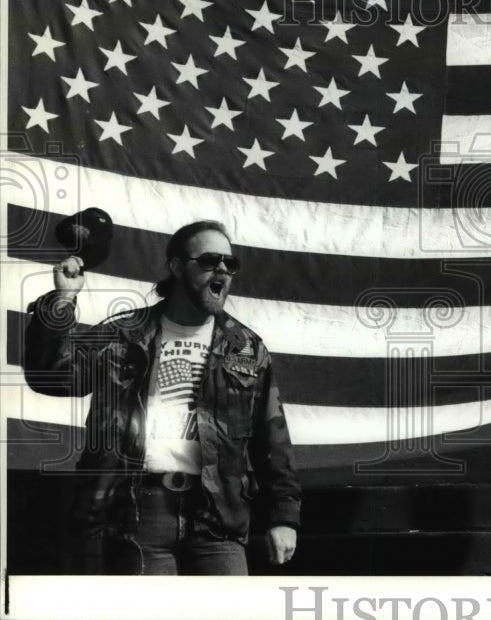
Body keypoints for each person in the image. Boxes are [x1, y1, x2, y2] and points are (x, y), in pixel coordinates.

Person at [23, 220, 301, 575]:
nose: (222, 270)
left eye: (229, 264)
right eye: (209, 260)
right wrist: (63, 299)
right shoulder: (123, 334)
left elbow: (272, 438)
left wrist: (284, 517)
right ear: (175, 266)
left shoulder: (245, 348)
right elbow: (54, 377)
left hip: (217, 518)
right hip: (138, 513)